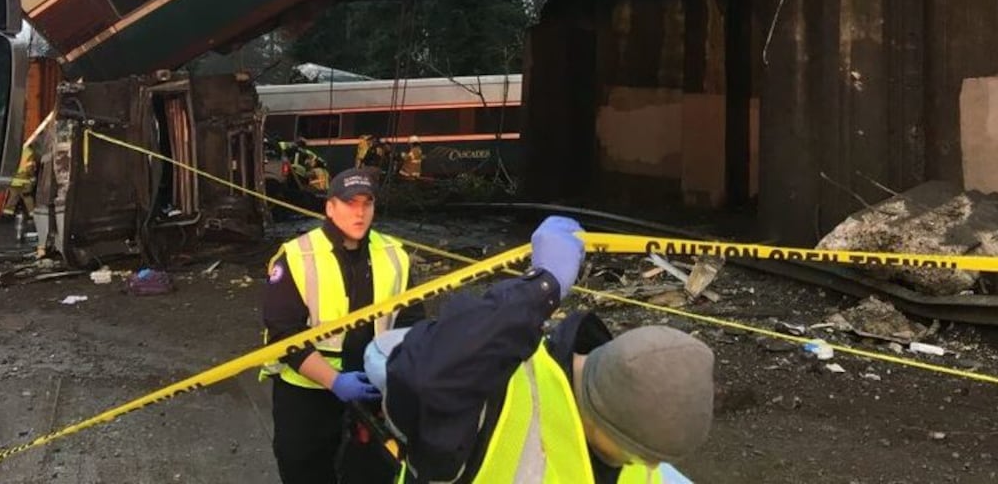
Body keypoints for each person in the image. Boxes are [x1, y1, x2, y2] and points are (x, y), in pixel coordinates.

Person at [376, 216, 715, 483]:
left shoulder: (645, 461)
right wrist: (539, 288)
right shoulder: (498, 392)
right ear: (601, 417)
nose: (650, 466)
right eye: (638, 455)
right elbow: (426, 375)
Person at [260, 167, 415, 484]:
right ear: (330, 207)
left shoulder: (395, 256)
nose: (359, 213)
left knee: (372, 473)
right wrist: (334, 381)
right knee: (304, 470)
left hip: (373, 389)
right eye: (349, 203)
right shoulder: (296, 256)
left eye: (366, 203)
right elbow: (283, 333)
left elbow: (412, 323)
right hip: (308, 394)